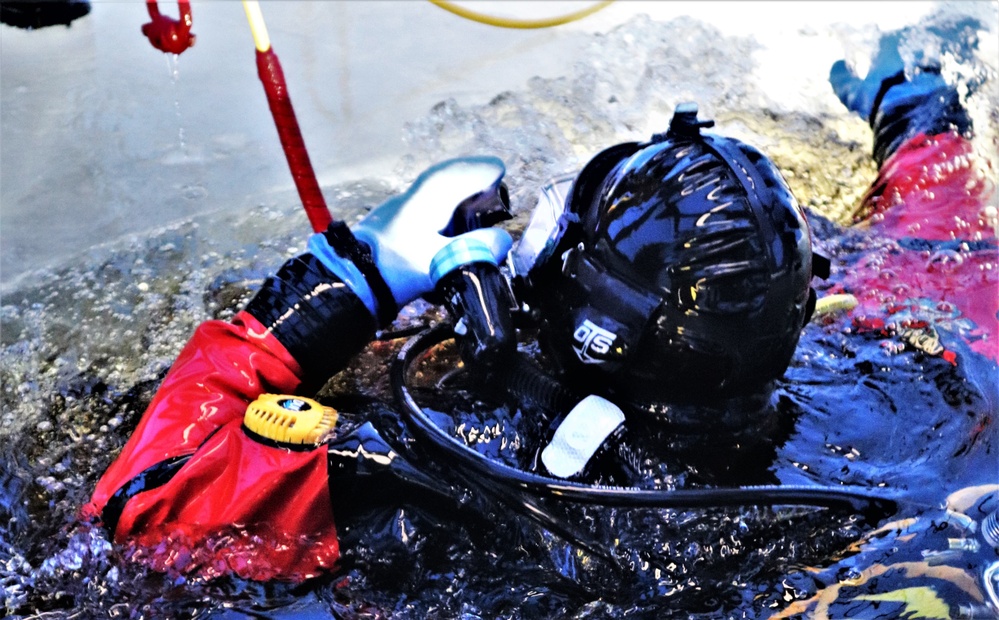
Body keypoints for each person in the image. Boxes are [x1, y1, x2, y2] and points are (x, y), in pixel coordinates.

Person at [83, 22, 996, 594]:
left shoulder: (456, 472)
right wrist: (918, 120)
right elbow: (941, 255)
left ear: (589, 316)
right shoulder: (898, 397)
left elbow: (144, 506)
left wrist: (357, 273)